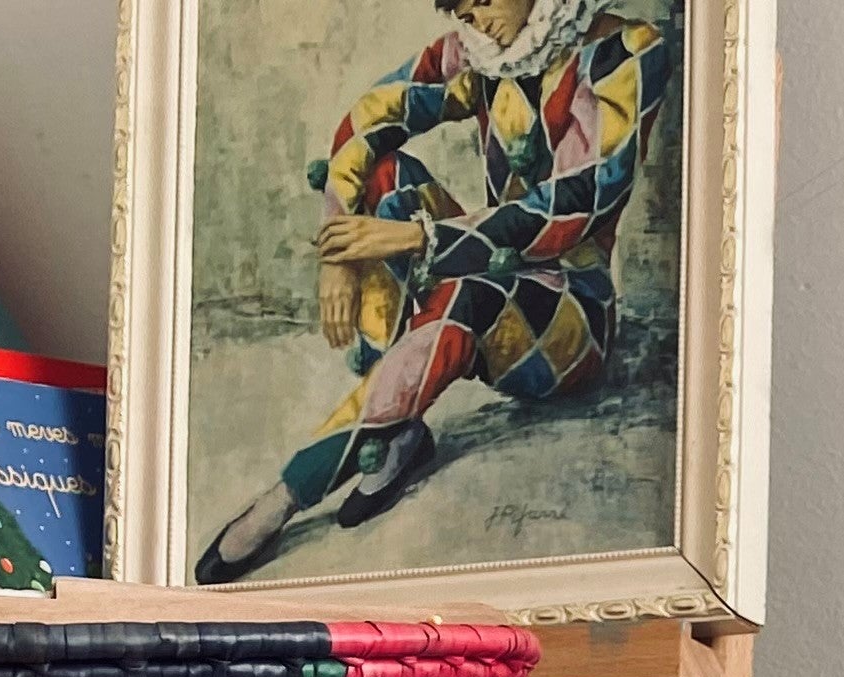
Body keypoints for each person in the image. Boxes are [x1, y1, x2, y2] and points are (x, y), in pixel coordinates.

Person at [197, 0, 673, 582]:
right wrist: (337, 255)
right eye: (461, 9)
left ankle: (289, 493)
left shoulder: (626, 50)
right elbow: (367, 122)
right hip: (484, 267)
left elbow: (581, 201)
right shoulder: (478, 55)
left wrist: (420, 238)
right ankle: (399, 434)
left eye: (482, 2)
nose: (473, 19)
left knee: (466, 294)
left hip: (569, 319)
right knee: (382, 176)